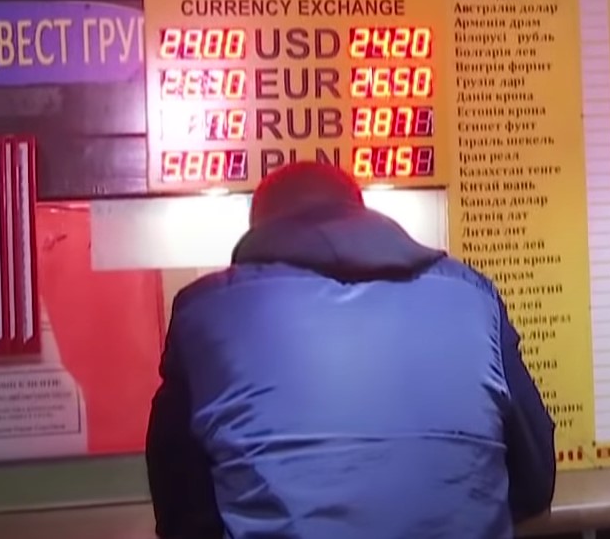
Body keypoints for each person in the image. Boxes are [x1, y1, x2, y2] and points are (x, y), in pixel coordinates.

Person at [146, 160, 556, 538]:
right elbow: (535, 482)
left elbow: (181, 513)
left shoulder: (203, 312)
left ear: (259, 231)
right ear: (360, 213)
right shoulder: (474, 298)